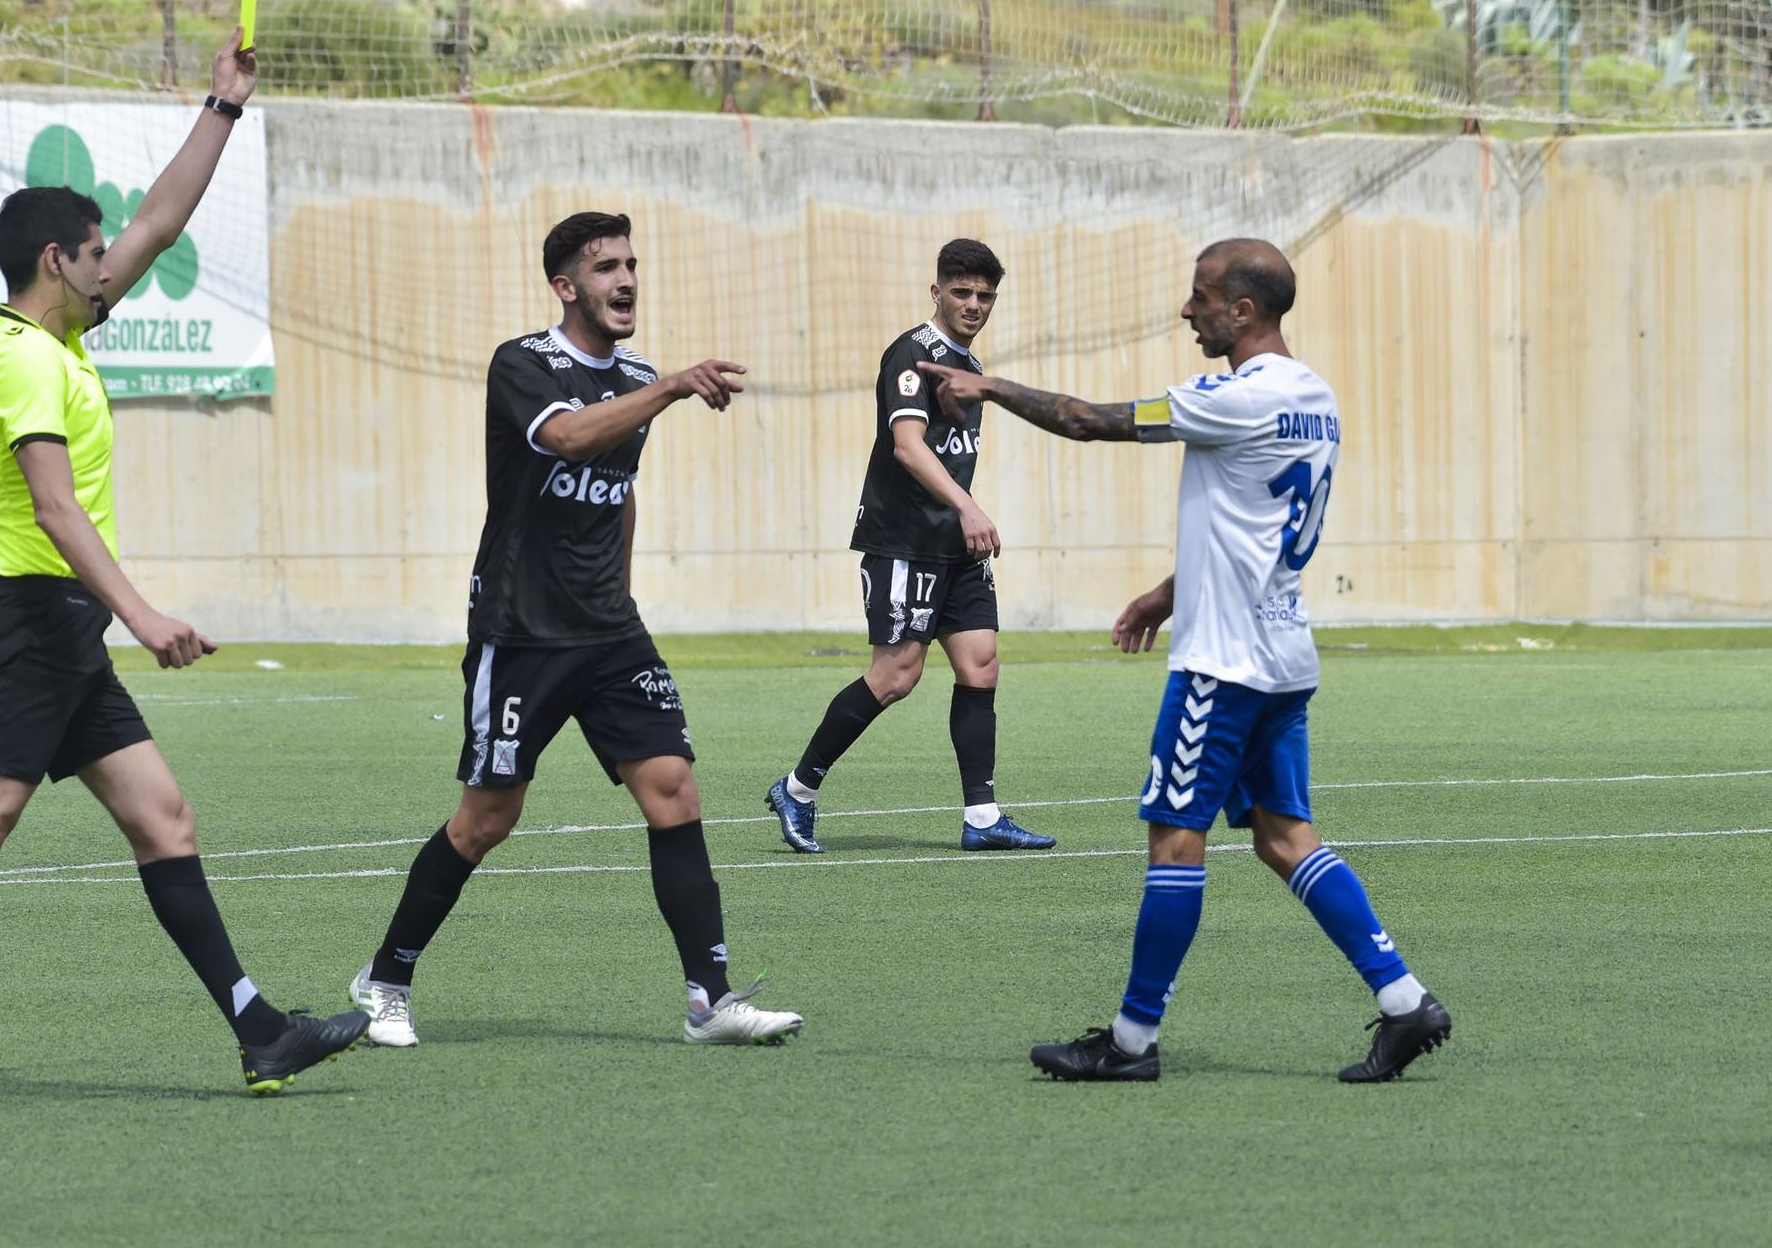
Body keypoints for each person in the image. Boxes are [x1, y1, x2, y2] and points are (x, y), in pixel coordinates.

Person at [0, 31, 370, 1114]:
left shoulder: (60, 335)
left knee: (163, 818)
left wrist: (222, 108)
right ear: (54, 263)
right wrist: (144, 613)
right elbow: (52, 505)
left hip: (65, 630)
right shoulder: (22, 355)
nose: (110, 261)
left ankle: (261, 1031)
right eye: (93, 252)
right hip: (36, 622)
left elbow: (161, 220)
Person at [919, 239, 1450, 1083]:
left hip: (1223, 667)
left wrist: (990, 386)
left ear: (1243, 312)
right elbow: (1253, 519)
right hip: (1282, 654)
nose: (1187, 309)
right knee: (1284, 837)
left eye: (1201, 296)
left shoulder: (1232, 398)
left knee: (1175, 842)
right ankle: (1403, 1000)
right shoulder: (1317, 396)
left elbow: (1091, 420)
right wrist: (1165, 596)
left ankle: (1130, 1041)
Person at [348, 211, 803, 1048]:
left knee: (674, 789)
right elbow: (564, 437)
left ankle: (711, 997)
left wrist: (618, 597)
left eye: (631, 264)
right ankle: (385, 980)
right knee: (486, 820)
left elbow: (619, 486)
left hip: (609, 632)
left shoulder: (635, 372)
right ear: (565, 286)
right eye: (604, 268)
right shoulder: (524, 363)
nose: (626, 280)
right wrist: (668, 388)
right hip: (520, 630)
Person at [765, 239, 1054, 855]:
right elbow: (908, 445)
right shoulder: (912, 355)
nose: (974, 305)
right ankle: (799, 788)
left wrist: (962, 519)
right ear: (937, 293)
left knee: (981, 663)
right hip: (905, 542)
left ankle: (982, 817)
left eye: (985, 296)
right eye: (962, 292)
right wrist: (969, 506)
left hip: (956, 547)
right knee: (896, 675)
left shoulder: (968, 367)